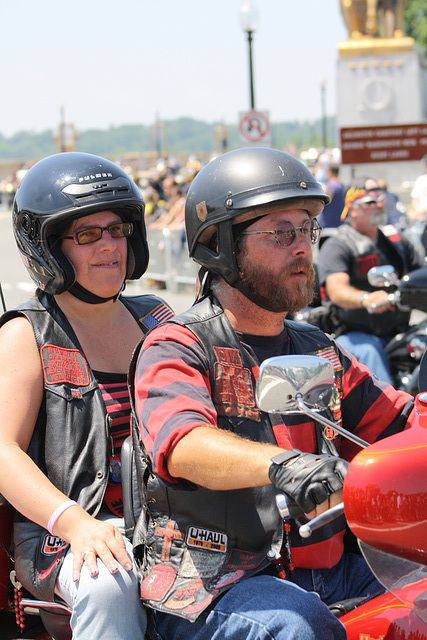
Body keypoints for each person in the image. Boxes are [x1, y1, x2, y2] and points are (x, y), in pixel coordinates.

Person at [129, 147, 416, 640]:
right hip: (216, 581)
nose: (302, 247)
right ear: (222, 245)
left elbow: (397, 419)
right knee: (295, 628)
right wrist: (285, 464)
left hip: (330, 570)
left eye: (307, 229)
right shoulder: (177, 345)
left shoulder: (318, 347)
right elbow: (182, 444)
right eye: (282, 233)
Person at [0, 152, 174, 639]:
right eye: (87, 235)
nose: (110, 246)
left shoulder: (157, 319)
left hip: (171, 522)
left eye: (117, 230)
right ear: (49, 249)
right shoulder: (27, 333)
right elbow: (2, 450)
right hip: (69, 532)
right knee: (106, 581)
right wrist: (75, 522)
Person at [317, 185, 422, 385]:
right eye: (370, 203)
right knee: (369, 352)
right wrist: (366, 299)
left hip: (399, 331)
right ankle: (391, 413)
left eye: (381, 201)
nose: (378, 206)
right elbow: (336, 290)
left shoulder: (396, 242)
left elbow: (420, 274)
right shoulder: (338, 244)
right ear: (352, 209)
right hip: (354, 333)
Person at [317, 164, 345, 229]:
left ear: (329, 172)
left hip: (329, 226)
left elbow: (327, 193)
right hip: (336, 224)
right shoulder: (340, 184)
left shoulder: (333, 184)